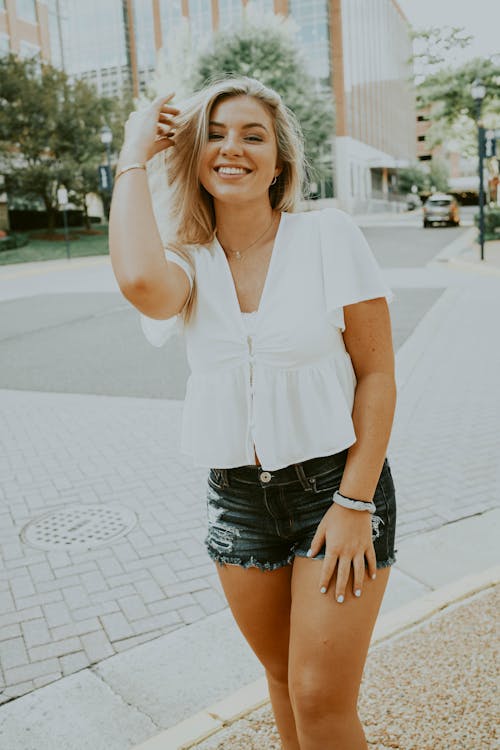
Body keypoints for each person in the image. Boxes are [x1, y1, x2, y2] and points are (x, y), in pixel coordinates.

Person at [109, 75, 397, 750]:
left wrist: (354, 503)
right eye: (213, 134)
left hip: (336, 491)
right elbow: (141, 283)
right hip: (237, 501)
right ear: (193, 156)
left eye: (252, 135)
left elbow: (378, 374)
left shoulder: (327, 235)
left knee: (322, 701)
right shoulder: (187, 261)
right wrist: (131, 151)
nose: (230, 148)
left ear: (280, 161)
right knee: (280, 677)